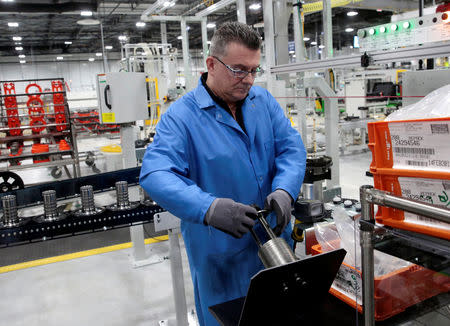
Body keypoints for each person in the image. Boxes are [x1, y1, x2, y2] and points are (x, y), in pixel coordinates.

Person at [140, 22, 306, 326]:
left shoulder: (263, 102)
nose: (248, 80)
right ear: (212, 65)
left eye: (254, 70)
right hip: (221, 255)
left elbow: (291, 148)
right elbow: (155, 174)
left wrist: (285, 189)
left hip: (276, 247)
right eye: (239, 69)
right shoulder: (181, 117)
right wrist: (209, 208)